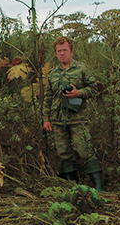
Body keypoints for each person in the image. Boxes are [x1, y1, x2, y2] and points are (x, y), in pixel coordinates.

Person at [43, 36, 104, 192]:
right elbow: (48, 98)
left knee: (84, 150)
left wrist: (78, 93)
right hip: (57, 119)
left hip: (78, 117)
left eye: (65, 50)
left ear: (71, 51)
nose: (62, 54)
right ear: (55, 53)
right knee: (64, 153)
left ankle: (98, 186)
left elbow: (94, 88)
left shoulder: (81, 69)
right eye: (59, 51)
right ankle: (73, 186)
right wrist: (46, 119)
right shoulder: (52, 74)